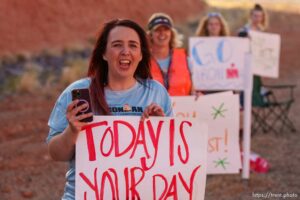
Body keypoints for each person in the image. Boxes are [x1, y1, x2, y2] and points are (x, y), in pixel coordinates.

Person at [46, 19, 173, 199]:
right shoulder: (79, 92)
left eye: (133, 45)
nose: (125, 51)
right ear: (104, 53)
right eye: (117, 44)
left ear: (141, 54)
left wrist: (160, 127)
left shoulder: (157, 92)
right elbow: (55, 154)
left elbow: (170, 157)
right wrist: (72, 131)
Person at [147, 12, 192, 96]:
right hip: (151, 108)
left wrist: (196, 94)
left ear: (171, 34)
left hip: (183, 108)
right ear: (150, 35)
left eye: (166, 29)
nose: (162, 33)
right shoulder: (142, 61)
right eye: (157, 30)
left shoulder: (186, 60)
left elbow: (193, 89)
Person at [195, 12, 230, 95]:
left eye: (217, 24)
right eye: (210, 24)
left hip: (225, 87)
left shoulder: (228, 45)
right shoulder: (199, 45)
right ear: (206, 27)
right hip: (205, 88)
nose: (214, 27)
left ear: (221, 26)